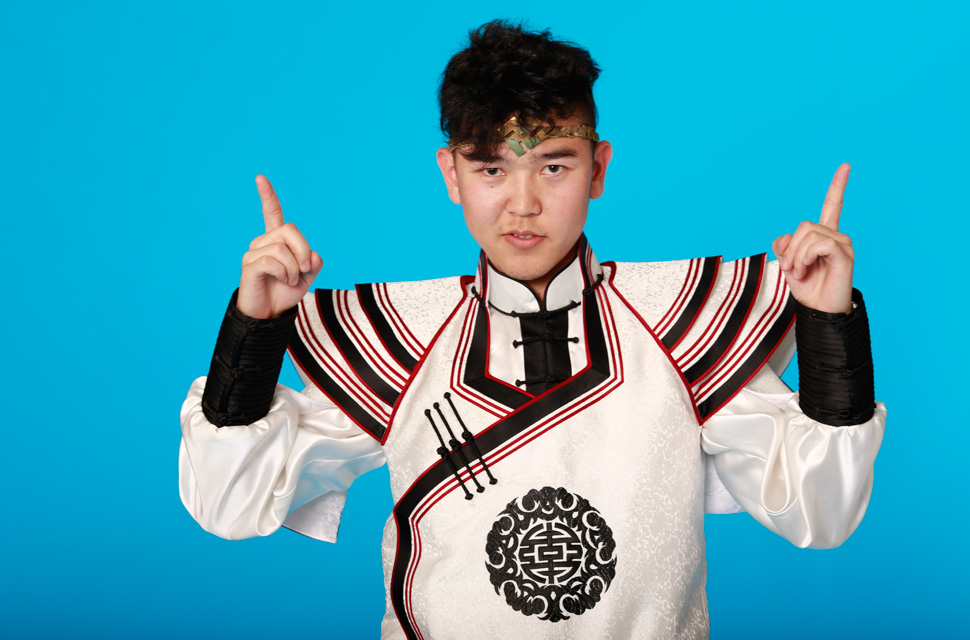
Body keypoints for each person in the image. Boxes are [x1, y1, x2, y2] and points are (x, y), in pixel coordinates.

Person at [179, 21, 885, 639]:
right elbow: (230, 504)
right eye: (491, 167)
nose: (523, 203)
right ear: (451, 174)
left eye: (554, 165)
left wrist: (828, 321)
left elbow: (820, 514)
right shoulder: (402, 339)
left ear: (598, 169)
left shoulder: (678, 327)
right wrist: (255, 328)